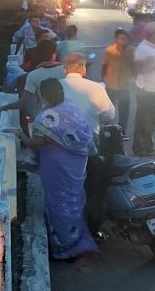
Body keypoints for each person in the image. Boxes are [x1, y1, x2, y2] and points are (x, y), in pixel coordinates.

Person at [14, 78, 98, 260]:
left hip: (55, 166)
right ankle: (77, 239)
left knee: (58, 201)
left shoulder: (47, 118)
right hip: (76, 164)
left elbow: (35, 143)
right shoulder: (71, 108)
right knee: (74, 199)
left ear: (42, 96)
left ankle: (64, 246)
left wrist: (20, 134)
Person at [60, 53, 116, 234]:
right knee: (94, 185)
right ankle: (92, 227)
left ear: (64, 69)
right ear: (82, 68)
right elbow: (109, 115)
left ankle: (68, 227)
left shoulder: (56, 88)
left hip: (61, 144)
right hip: (89, 141)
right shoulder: (95, 87)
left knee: (67, 187)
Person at [0, 40, 65, 133]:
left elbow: (23, 102)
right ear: (54, 54)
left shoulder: (33, 75)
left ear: (38, 54)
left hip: (44, 120)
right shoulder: (65, 70)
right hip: (65, 115)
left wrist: (4, 107)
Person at [132, 22, 155, 157]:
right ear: (153, 33)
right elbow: (136, 69)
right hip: (146, 91)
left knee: (151, 122)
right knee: (143, 121)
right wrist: (151, 67)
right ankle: (139, 149)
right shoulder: (143, 49)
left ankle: (148, 147)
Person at [101, 29, 135, 134]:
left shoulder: (132, 51)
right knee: (109, 109)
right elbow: (105, 65)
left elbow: (135, 67)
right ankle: (107, 129)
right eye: (120, 38)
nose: (122, 41)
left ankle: (122, 130)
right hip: (111, 84)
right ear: (115, 39)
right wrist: (102, 79)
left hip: (125, 85)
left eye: (124, 39)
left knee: (124, 110)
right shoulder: (109, 50)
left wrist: (135, 80)